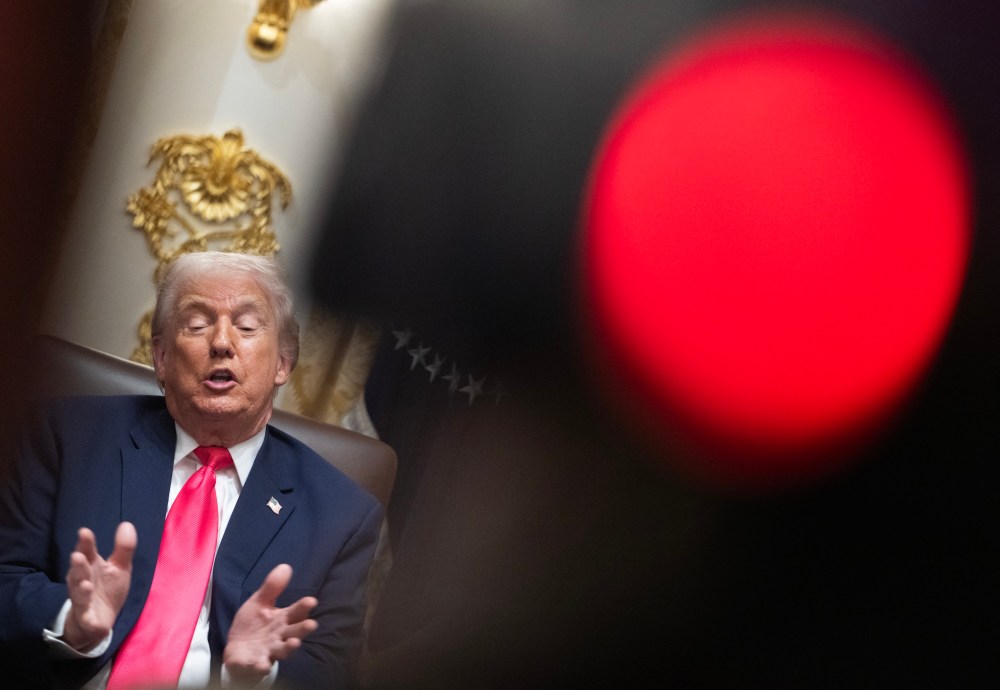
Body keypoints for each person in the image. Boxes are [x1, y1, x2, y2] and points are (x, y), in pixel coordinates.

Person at [0, 251, 384, 689]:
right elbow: (6, 576)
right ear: (161, 357)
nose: (222, 342)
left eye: (247, 327)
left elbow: (333, 670)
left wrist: (258, 673)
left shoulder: (344, 514)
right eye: (198, 324)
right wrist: (72, 619)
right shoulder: (66, 435)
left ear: (283, 362)